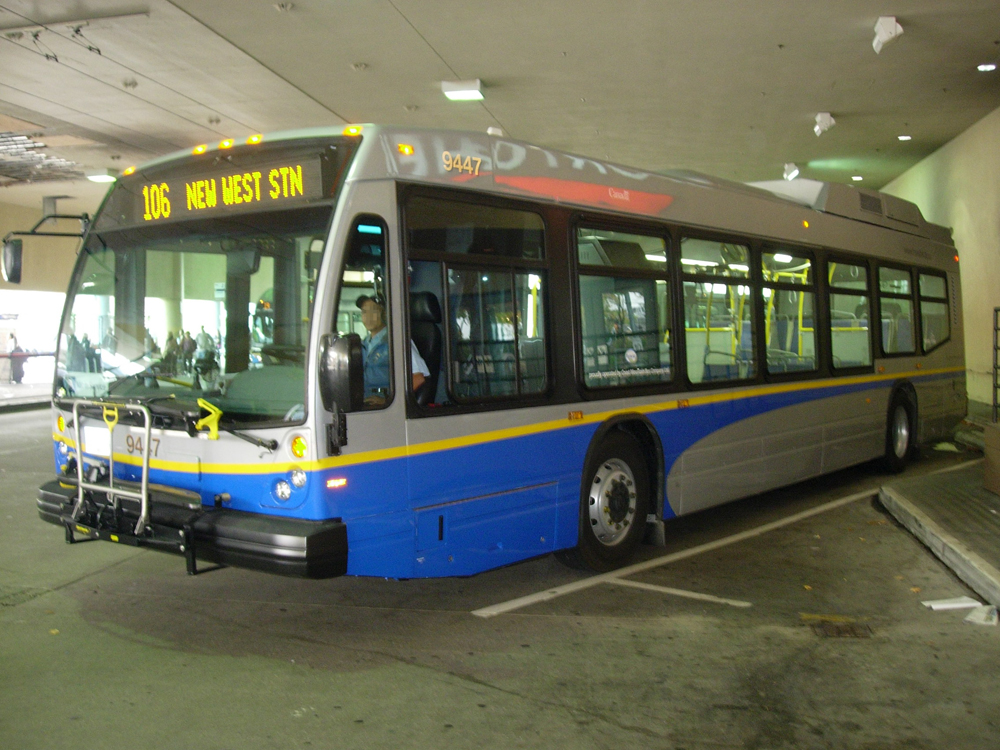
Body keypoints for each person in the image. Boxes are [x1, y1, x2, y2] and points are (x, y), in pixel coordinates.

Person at [356, 295, 429, 403]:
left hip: (384, 405)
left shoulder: (396, 340)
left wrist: (387, 401)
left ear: (384, 314)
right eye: (364, 312)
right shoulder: (363, 344)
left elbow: (418, 378)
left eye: (374, 311)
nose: (368, 316)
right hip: (364, 399)